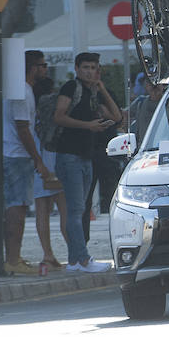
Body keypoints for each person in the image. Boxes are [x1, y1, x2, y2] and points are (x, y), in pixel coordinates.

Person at [53, 52, 120, 273]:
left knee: (80, 209)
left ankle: (74, 261)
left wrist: (101, 89)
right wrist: (87, 126)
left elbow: (116, 117)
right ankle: (82, 259)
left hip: (86, 156)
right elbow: (59, 116)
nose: (90, 71)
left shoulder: (93, 93)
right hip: (69, 155)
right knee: (76, 210)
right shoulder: (71, 88)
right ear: (77, 68)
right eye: (86, 67)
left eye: (93, 67)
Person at [2, 50, 53, 274]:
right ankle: (12, 259)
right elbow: (23, 129)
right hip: (17, 156)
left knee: (18, 206)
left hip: (14, 155)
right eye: (42, 65)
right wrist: (38, 160)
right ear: (32, 67)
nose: (45, 69)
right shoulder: (22, 91)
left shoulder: (20, 90)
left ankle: (15, 257)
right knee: (17, 208)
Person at [82, 64, 123, 242]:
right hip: (88, 151)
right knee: (85, 200)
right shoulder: (81, 94)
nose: (94, 74)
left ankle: (120, 233)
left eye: (97, 71)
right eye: (90, 70)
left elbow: (118, 118)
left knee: (115, 197)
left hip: (108, 151)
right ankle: (84, 239)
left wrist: (103, 92)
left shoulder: (107, 94)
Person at [32, 77, 67, 270]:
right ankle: (73, 252)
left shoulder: (32, 107)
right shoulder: (53, 104)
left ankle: (47, 254)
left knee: (42, 210)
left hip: (37, 157)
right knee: (64, 209)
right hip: (54, 155)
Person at [128, 73, 165, 146]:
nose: (153, 85)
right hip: (144, 149)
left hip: (165, 146)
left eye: (157, 82)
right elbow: (124, 115)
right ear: (145, 86)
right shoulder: (140, 103)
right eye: (149, 83)